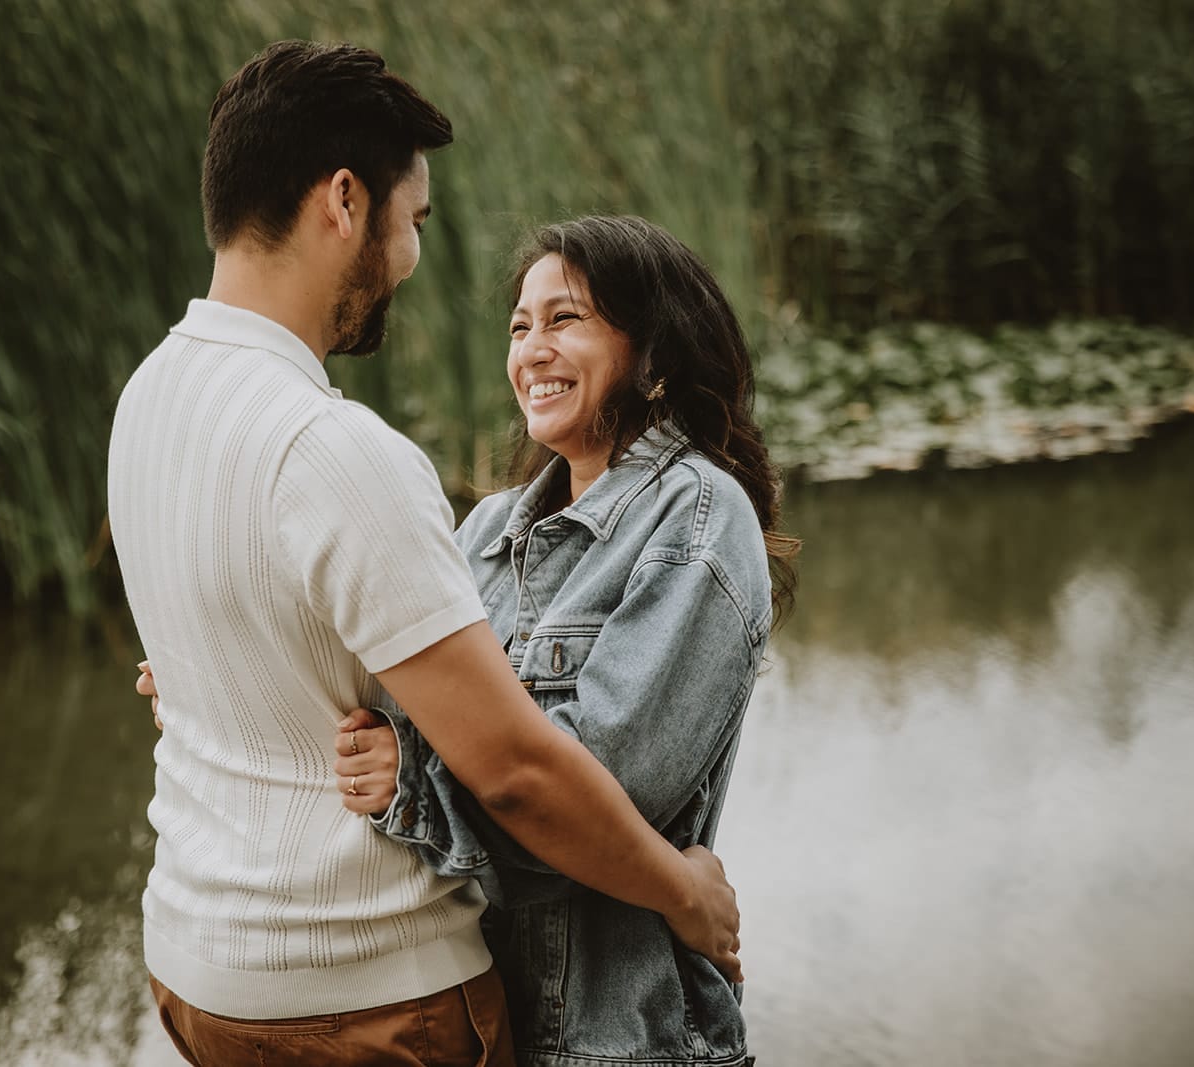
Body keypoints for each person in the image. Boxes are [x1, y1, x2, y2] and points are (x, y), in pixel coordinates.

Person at [107, 41, 742, 1067]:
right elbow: (519, 774)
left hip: (197, 969)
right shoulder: (337, 450)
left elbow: (247, 655)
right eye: (413, 221)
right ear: (344, 202)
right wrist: (686, 892)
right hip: (363, 991)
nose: (409, 258)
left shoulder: (146, 401)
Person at [335, 216, 797, 1066]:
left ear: (653, 353)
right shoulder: (482, 533)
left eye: (565, 319)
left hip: (622, 1040)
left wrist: (413, 781)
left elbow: (598, 794)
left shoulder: (698, 515)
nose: (532, 349)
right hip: (474, 1020)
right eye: (521, 325)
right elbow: (375, 697)